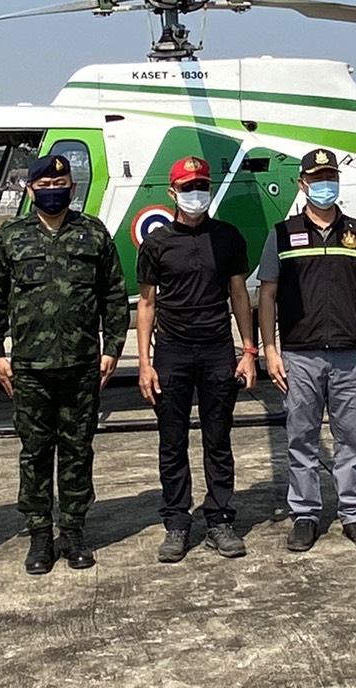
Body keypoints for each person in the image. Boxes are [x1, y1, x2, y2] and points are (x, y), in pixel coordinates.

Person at [0, 153, 129, 575]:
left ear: (72, 189)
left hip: (82, 365)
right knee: (36, 452)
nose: (52, 192)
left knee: (78, 451)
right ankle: (40, 532)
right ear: (30, 190)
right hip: (28, 367)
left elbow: (113, 295)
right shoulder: (11, 238)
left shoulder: (93, 235)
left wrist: (112, 348)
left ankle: (74, 529)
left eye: (59, 186)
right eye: (43, 187)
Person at [259, 147, 356, 552]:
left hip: (351, 354)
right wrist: (270, 348)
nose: (323, 185)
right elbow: (267, 293)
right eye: (316, 179)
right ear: (302, 184)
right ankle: (305, 514)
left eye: (329, 177)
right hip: (300, 354)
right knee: (302, 438)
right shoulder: (281, 234)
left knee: (351, 437)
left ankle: (354, 513)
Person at [136, 155, 257, 563]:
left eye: (201, 186)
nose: (195, 194)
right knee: (172, 441)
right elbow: (147, 304)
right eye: (187, 188)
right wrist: (145, 362)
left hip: (217, 349)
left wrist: (248, 351)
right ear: (173, 193)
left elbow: (239, 295)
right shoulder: (156, 243)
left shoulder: (227, 236)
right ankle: (176, 522)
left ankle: (220, 518)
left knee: (218, 439)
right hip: (172, 351)